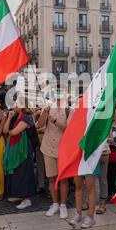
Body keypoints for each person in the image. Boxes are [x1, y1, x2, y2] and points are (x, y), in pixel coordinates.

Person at [37, 90, 71, 219]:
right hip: (48, 148)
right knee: (51, 178)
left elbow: (67, 129)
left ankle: (63, 205)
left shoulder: (69, 110)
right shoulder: (47, 108)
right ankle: (55, 204)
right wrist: (44, 113)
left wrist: (55, 120)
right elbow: (39, 125)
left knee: (63, 179)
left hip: (63, 149)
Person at [3, 100, 37, 210]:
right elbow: (5, 130)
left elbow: (13, 132)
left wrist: (10, 131)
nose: (14, 105)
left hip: (24, 150)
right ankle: (19, 195)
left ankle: (27, 199)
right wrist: (8, 118)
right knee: (17, 173)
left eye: (17, 103)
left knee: (24, 173)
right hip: (15, 150)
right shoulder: (15, 117)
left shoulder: (27, 118)